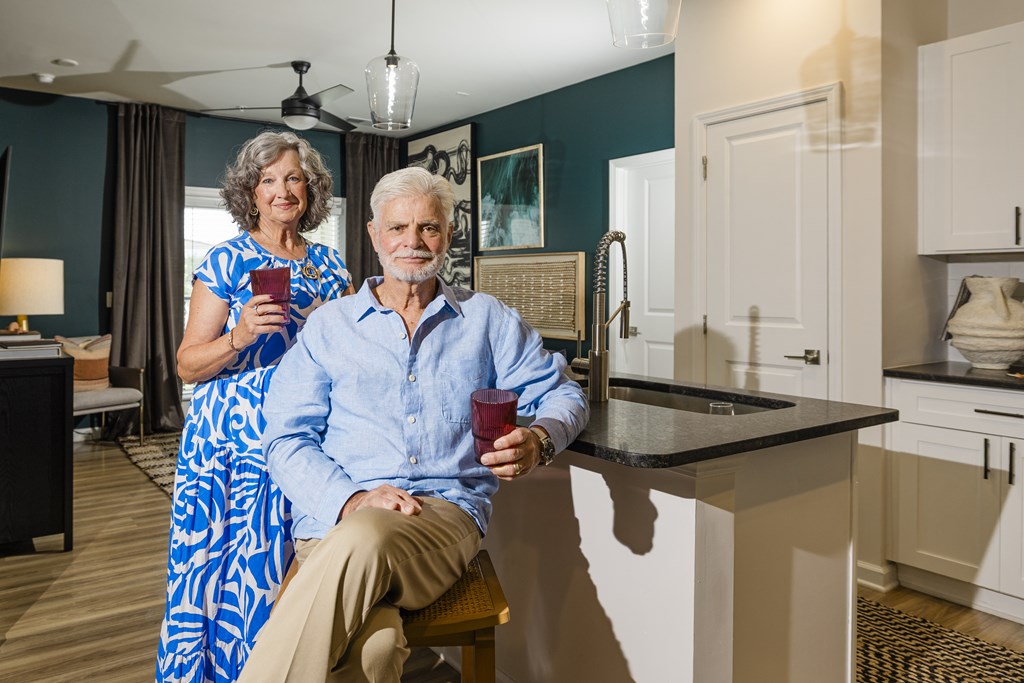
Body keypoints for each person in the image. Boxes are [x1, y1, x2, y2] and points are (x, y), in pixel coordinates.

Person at [237, 167, 589, 682]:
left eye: (428, 227)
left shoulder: (487, 320)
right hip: (333, 524)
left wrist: (539, 439)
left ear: (448, 235)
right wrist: (352, 500)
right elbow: (286, 440)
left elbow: (563, 392)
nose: (413, 242)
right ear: (374, 235)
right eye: (398, 228)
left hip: (441, 521)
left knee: (369, 537)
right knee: (374, 653)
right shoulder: (328, 328)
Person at [156, 131, 355, 683]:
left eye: (293, 179)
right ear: (250, 193)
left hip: (308, 432)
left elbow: (352, 347)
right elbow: (187, 365)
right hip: (233, 443)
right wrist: (239, 336)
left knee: (289, 563)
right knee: (229, 568)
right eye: (268, 181)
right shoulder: (226, 260)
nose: (282, 191)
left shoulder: (331, 265)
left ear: (310, 191)